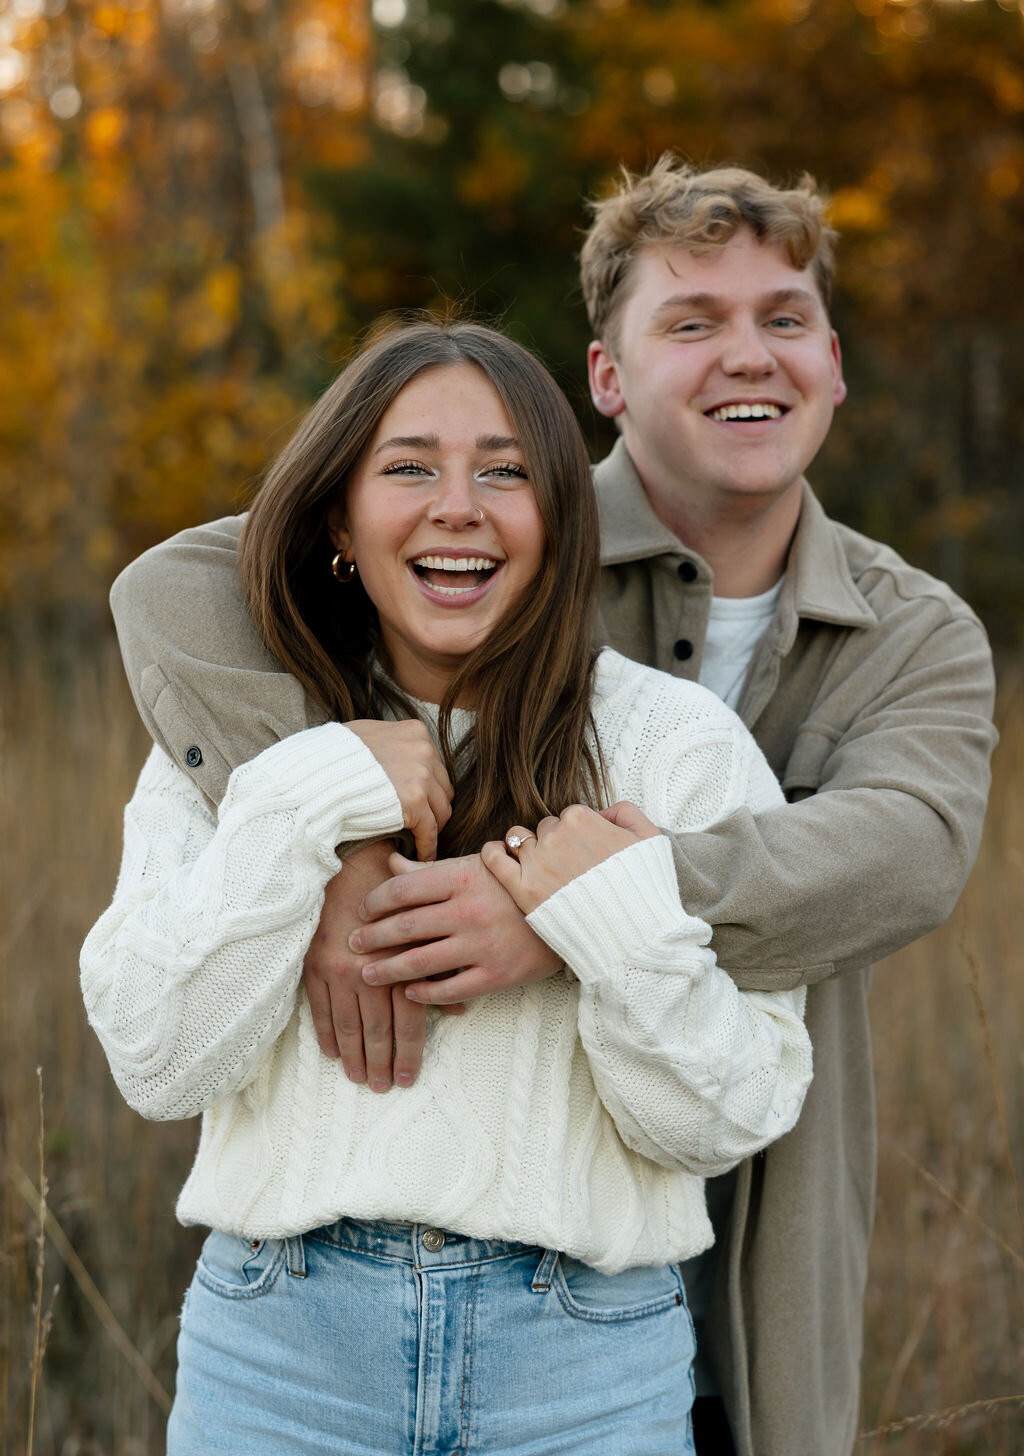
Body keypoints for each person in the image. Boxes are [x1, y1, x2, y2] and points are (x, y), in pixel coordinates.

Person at [107, 161, 997, 1456]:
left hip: (654, 1263)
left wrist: (577, 905)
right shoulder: (488, 536)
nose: (747, 354)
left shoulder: (912, 633)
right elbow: (186, 582)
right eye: (692, 321)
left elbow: (910, 853)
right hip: (308, 1326)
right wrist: (332, 820)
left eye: (784, 317)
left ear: (837, 360)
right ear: (607, 379)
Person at [82, 320, 815, 1455]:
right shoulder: (242, 747)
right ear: (339, 517)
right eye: (409, 466)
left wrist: (610, 924)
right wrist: (307, 801)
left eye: (506, 471)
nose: (458, 506)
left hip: (585, 1368)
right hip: (283, 1360)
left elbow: (726, 1120)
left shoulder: (679, 748)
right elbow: (156, 1059)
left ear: (562, 520)